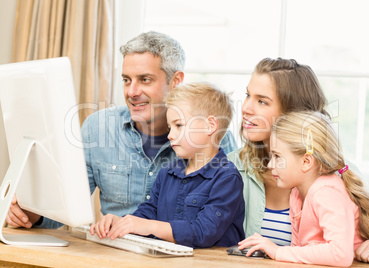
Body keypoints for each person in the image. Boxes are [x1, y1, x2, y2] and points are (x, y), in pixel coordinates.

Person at [6, 31, 237, 229]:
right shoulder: (98, 128)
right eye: (126, 80)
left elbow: (227, 216)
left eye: (145, 80)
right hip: (114, 254)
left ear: (176, 80)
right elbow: (64, 210)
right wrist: (31, 214)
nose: (132, 92)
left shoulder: (212, 137)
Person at [227, 57, 369, 264]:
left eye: (262, 101)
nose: (245, 108)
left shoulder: (338, 175)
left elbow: (367, 239)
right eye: (247, 95)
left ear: (293, 113)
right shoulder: (231, 167)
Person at [90, 82, 245, 248]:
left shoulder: (227, 178)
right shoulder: (167, 172)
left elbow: (203, 232)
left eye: (178, 125)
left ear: (210, 126)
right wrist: (122, 222)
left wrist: (151, 226)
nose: (170, 135)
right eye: (170, 127)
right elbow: (148, 213)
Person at [238, 111, 369, 266]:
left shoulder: (326, 192)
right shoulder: (296, 194)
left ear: (306, 162)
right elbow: (299, 251)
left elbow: (340, 254)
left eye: (277, 156)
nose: (270, 164)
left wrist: (278, 251)